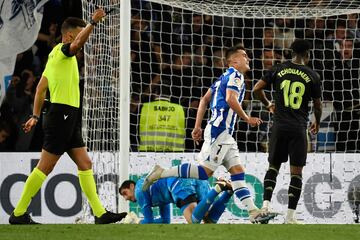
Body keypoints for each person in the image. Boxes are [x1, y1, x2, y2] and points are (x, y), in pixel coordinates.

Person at [9, 9, 127, 224]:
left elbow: (40, 89)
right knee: (45, 167)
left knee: (85, 163)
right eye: (81, 34)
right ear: (71, 35)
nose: (83, 41)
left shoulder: (54, 57)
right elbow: (76, 45)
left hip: (67, 115)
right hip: (60, 114)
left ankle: (99, 213)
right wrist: (92, 22)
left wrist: (35, 116)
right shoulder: (64, 51)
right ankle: (18, 213)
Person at [142, 44, 277, 224]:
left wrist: (197, 126)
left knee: (238, 172)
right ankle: (162, 173)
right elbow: (230, 98)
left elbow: (204, 99)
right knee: (205, 172)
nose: (248, 59)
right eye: (245, 56)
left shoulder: (222, 78)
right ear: (234, 61)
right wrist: (247, 118)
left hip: (221, 132)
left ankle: (253, 212)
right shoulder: (236, 76)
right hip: (220, 131)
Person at [253, 39, 322, 224]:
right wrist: (317, 121)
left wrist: (268, 104)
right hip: (299, 129)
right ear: (307, 54)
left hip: (279, 127)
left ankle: (265, 207)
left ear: (290, 53)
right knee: (296, 173)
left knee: (273, 167)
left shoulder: (277, 69)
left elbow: (256, 89)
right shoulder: (312, 75)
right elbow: (317, 105)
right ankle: (290, 217)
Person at [119, 177, 233, 224]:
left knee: (193, 220)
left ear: (131, 186)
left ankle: (217, 188)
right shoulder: (154, 192)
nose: (126, 198)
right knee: (209, 220)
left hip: (179, 184)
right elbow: (166, 220)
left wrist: (136, 223)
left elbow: (148, 221)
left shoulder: (139, 191)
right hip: (196, 180)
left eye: (125, 193)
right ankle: (228, 191)